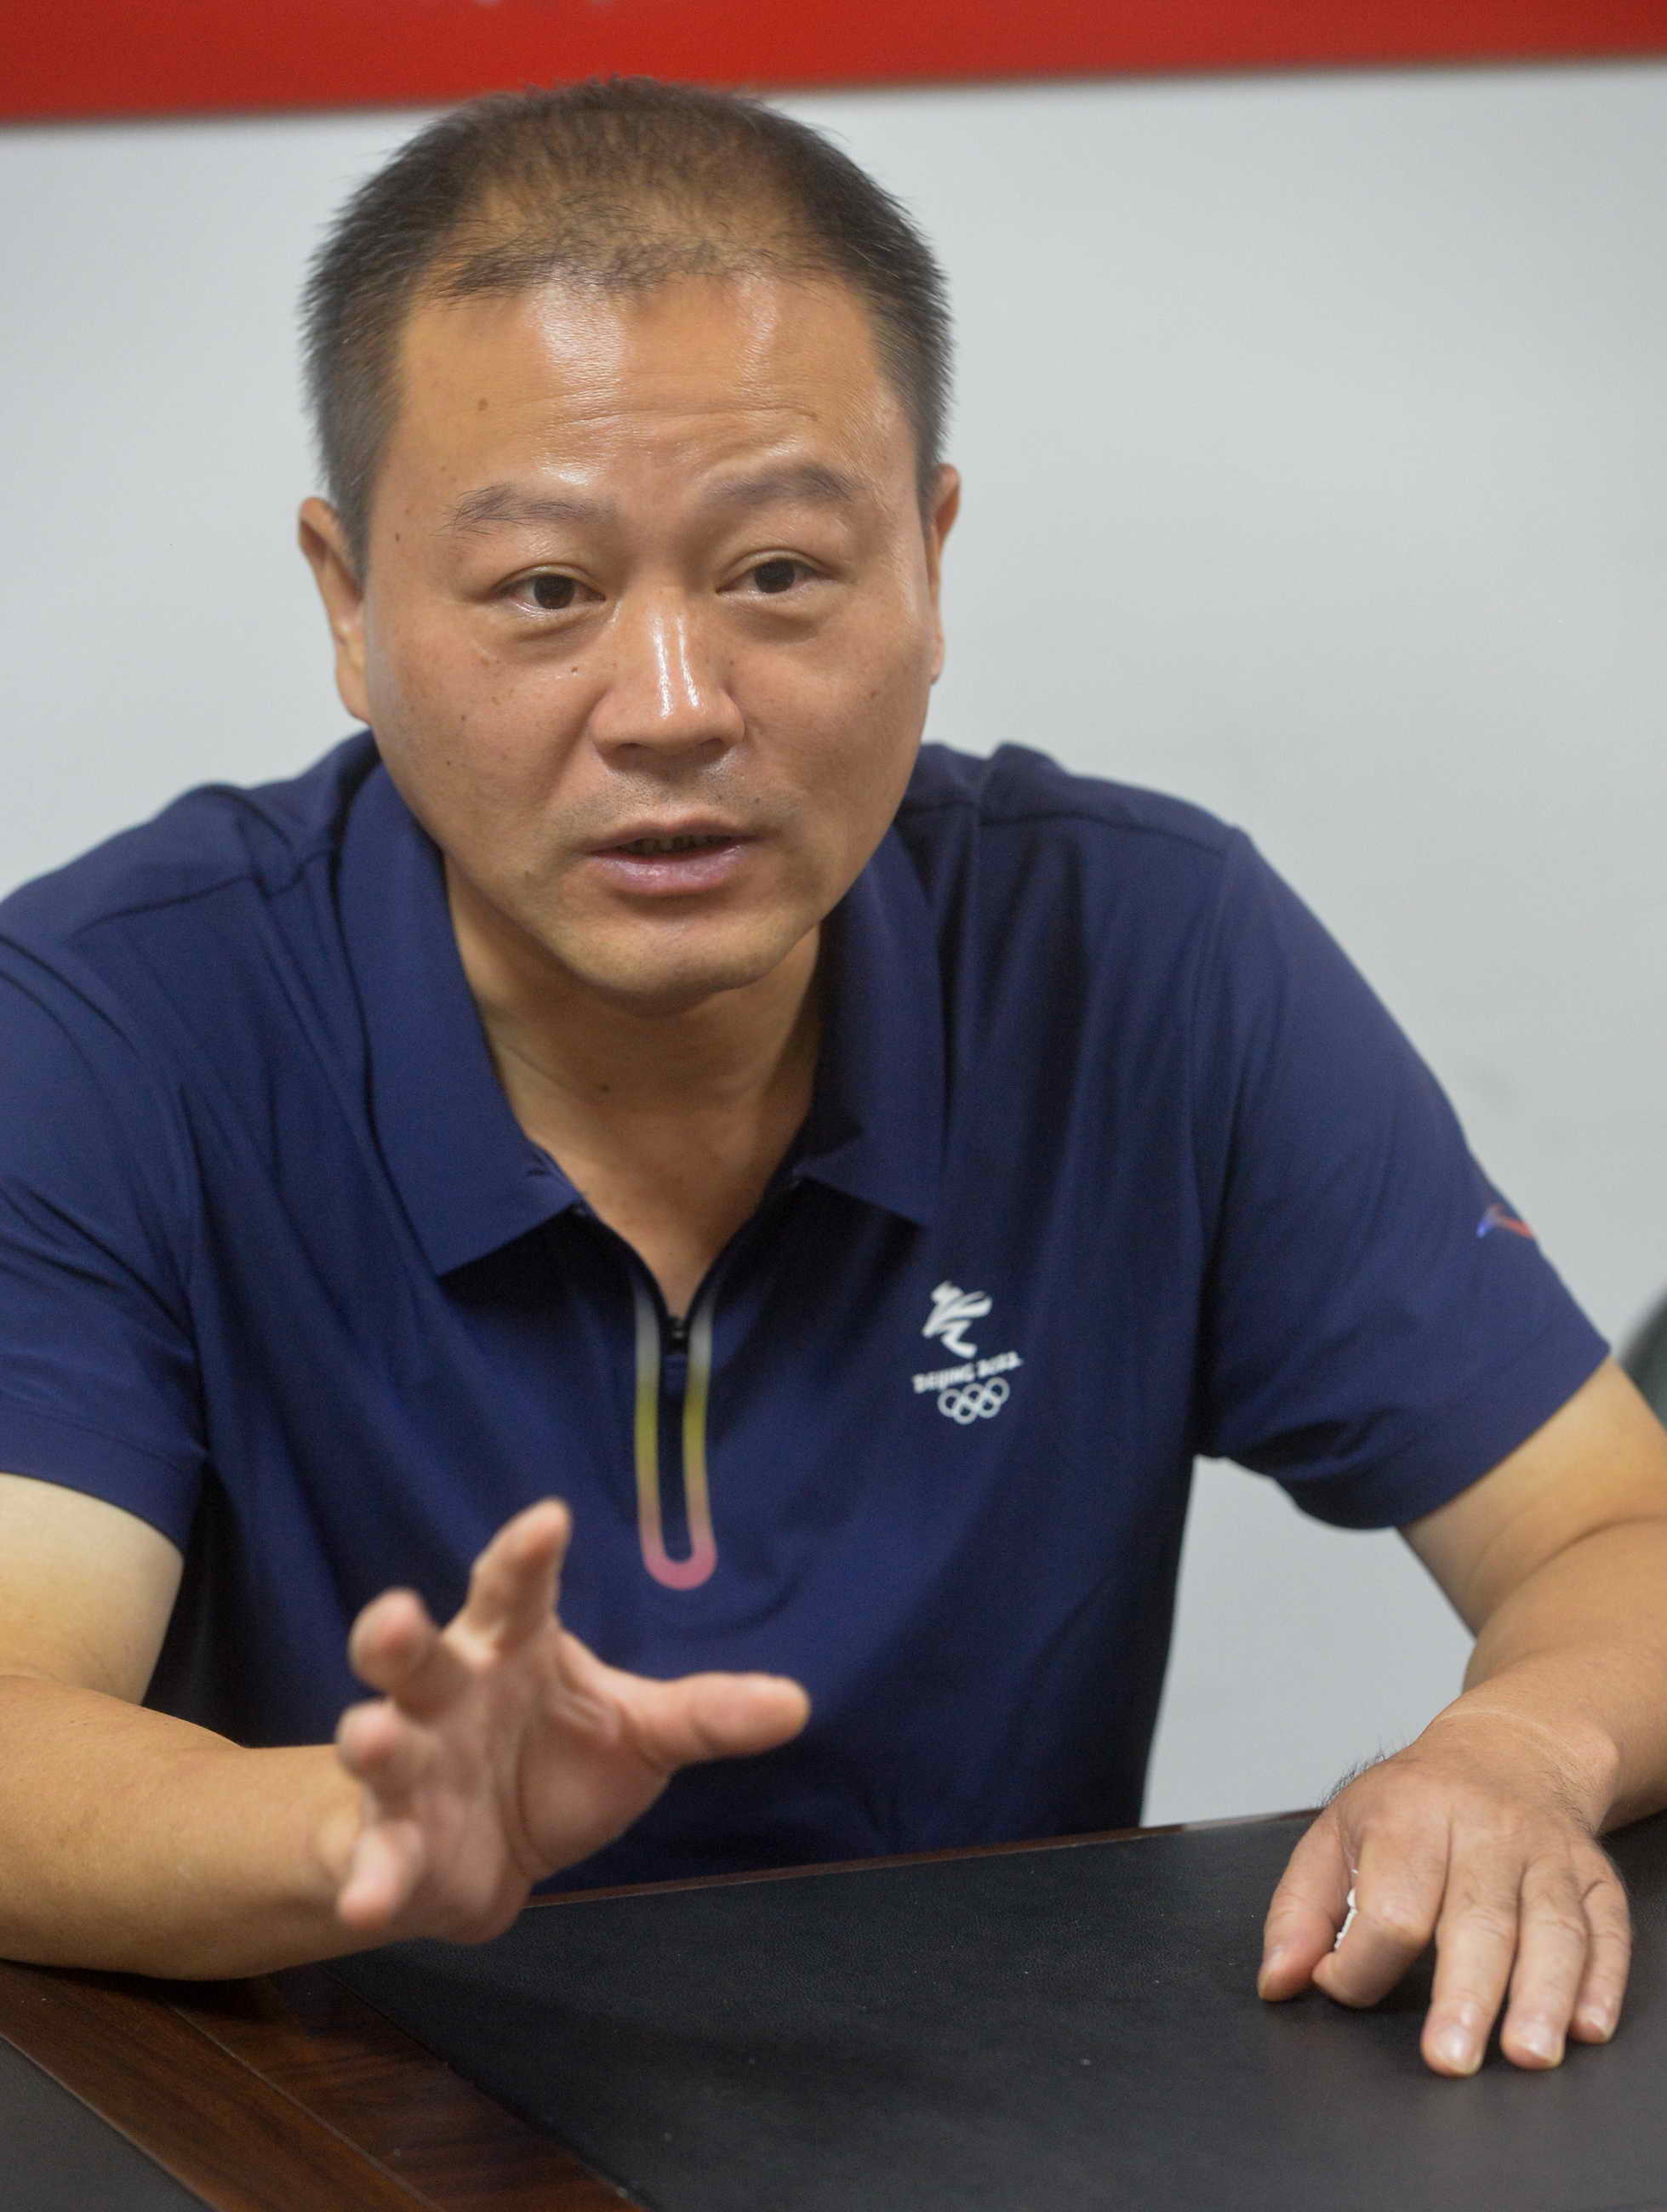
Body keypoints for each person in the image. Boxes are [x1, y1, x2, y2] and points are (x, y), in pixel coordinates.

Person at [1, 77, 1664, 2088]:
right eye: (544, 591)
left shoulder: (1138, 953)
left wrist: (1514, 1747)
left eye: (777, 570)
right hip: (322, 2119)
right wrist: (363, 1831)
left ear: (929, 561)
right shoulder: (110, 1024)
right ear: (348, 604)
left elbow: (1611, 1531)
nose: (674, 708)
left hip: (991, 2119)